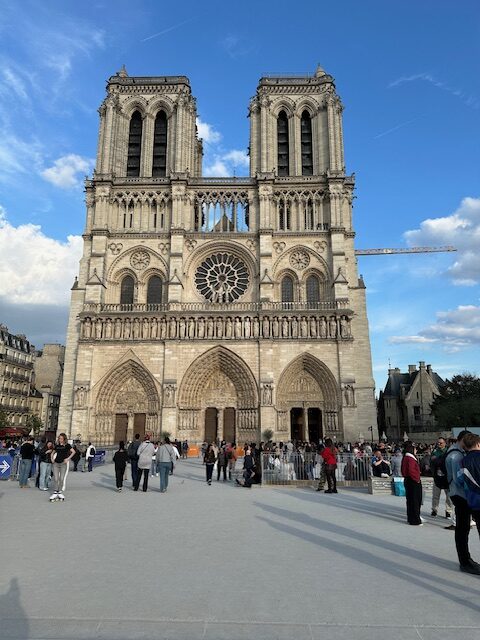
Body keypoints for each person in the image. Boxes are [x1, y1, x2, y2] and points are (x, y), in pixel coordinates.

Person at [445, 430, 480, 574]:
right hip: (461, 496)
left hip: (464, 496)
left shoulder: (459, 454)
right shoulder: (456, 456)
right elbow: (459, 480)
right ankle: (465, 561)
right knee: (462, 528)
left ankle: (465, 560)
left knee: (463, 527)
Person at [401, 441, 422, 526]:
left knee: (410, 501)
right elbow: (411, 471)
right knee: (415, 501)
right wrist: (417, 479)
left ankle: (411, 518)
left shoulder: (406, 457)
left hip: (408, 480)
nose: (416, 450)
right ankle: (415, 519)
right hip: (413, 481)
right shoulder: (410, 458)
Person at [430, 437, 453, 518]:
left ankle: (448, 511)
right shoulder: (435, 451)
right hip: (437, 476)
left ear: (445, 443)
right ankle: (434, 509)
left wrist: (437, 460)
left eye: (441, 443)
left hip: (446, 477)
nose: (439, 444)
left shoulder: (448, 451)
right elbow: (431, 461)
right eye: (438, 443)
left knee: (449, 496)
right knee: (435, 495)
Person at [50, 433, 75, 500]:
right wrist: (52, 458)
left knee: (61, 479)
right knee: (56, 478)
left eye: (61, 438)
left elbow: (73, 452)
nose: (60, 439)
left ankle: (60, 491)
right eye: (59, 438)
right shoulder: (57, 445)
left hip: (63, 464)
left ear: (64, 439)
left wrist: (68, 458)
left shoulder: (67, 445)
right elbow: (52, 453)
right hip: (56, 463)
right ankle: (55, 491)